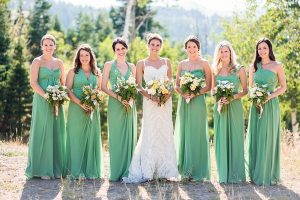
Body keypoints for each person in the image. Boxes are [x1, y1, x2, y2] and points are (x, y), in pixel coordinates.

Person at [123, 33, 178, 183]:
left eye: (157, 45)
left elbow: (171, 83)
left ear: (161, 47)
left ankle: (165, 171)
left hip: (165, 102)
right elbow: (139, 85)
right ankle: (148, 170)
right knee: (150, 130)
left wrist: (166, 95)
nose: (155, 47)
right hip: (150, 102)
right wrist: (150, 96)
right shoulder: (142, 63)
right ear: (148, 46)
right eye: (152, 45)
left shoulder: (167, 62)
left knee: (165, 131)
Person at [26, 34, 66, 179]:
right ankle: (41, 169)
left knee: (56, 131)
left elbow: (64, 83)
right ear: (41, 46)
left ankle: (55, 168)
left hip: (57, 101)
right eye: (46, 45)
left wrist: (60, 95)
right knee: (42, 130)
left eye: (51, 44)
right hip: (42, 100)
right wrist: (46, 96)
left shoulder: (60, 63)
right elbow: (33, 82)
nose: (48, 47)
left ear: (55, 46)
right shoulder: (37, 62)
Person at [247, 38, 286, 185]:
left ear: (269, 49)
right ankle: (254, 173)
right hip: (256, 106)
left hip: (270, 105)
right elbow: (250, 88)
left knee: (268, 137)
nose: (262, 51)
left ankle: (267, 174)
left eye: (264, 48)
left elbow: (283, 87)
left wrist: (269, 96)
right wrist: (255, 96)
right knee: (256, 136)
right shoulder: (254, 66)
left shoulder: (277, 65)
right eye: (259, 49)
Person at [174, 35, 212, 181]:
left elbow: (209, 86)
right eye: (189, 47)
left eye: (194, 47)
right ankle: (184, 168)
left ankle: (198, 170)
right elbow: (176, 84)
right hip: (184, 101)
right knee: (185, 131)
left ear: (198, 48)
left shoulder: (204, 64)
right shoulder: (182, 64)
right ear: (185, 48)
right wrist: (183, 93)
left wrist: (195, 93)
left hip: (198, 101)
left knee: (197, 131)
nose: (191, 49)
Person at [102, 38, 137, 181]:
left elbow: (136, 87)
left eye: (123, 48)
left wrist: (130, 99)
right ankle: (116, 172)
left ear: (126, 49)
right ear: (114, 51)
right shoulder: (109, 65)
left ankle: (129, 172)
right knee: (116, 138)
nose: (121, 51)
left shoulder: (132, 66)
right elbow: (103, 87)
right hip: (115, 105)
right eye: (118, 49)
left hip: (129, 105)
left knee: (129, 137)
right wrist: (118, 98)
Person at [212, 40, 247, 183]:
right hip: (220, 108)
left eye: (226, 51)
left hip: (235, 107)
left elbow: (245, 90)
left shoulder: (239, 69)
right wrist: (219, 99)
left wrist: (232, 97)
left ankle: (237, 174)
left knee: (236, 137)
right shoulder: (215, 70)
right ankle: (223, 175)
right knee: (221, 138)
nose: (224, 53)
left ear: (231, 52)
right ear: (218, 54)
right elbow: (212, 91)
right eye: (221, 51)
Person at [65, 44, 102, 179]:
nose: (84, 58)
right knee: (76, 138)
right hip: (76, 108)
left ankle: (90, 171)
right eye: (81, 55)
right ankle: (75, 170)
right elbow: (68, 90)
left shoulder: (97, 72)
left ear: (91, 56)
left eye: (87, 55)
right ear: (78, 57)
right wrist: (81, 103)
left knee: (91, 138)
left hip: (92, 109)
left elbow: (99, 90)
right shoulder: (72, 72)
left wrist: (93, 103)